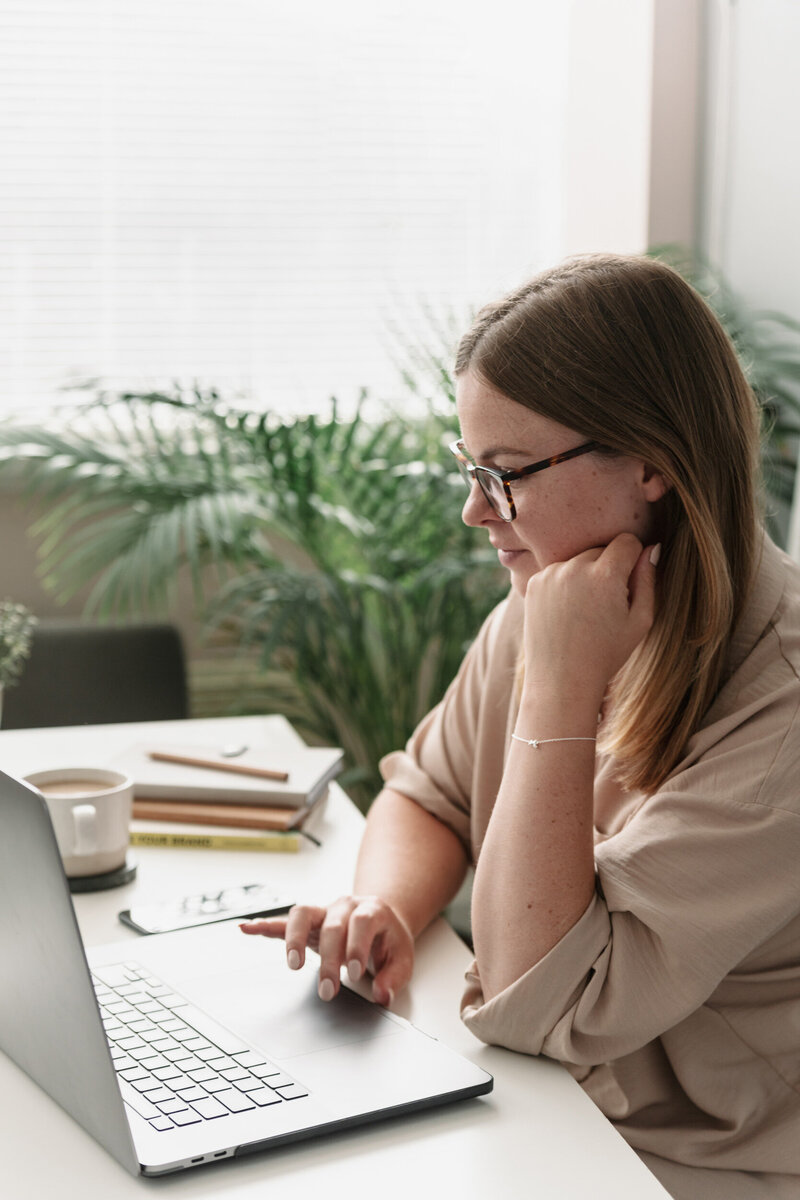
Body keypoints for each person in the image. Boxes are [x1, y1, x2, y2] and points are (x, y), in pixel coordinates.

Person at [241, 253, 800, 1199]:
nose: (474, 511)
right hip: (548, 1109)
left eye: (505, 475)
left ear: (653, 462)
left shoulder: (776, 707)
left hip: (697, 1165)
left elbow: (540, 999)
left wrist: (556, 690)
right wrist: (384, 905)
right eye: (470, 470)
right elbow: (430, 793)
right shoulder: (554, 603)